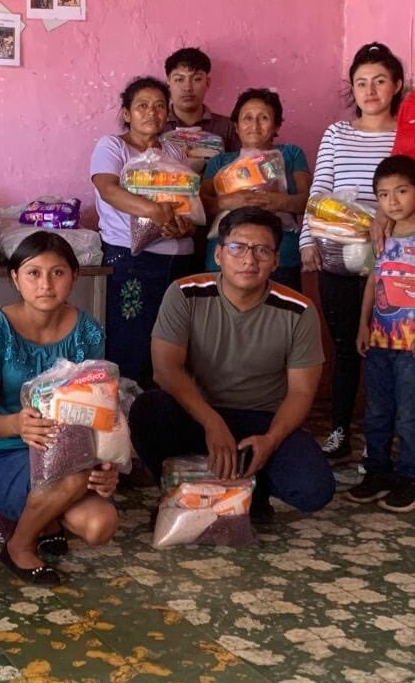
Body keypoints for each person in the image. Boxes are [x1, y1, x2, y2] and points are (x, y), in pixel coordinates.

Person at [130, 207, 336, 523]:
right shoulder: (185, 293)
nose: (249, 260)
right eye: (238, 247)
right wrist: (212, 422)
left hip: (262, 420)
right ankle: (180, 487)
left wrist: (271, 440)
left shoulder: (299, 310)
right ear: (219, 254)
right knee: (148, 409)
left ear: (276, 261)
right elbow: (165, 369)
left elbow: (301, 391)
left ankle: (252, 490)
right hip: (198, 413)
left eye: (262, 250)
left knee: (314, 490)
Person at [0, 231, 120, 584]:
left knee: (100, 526)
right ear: (15, 278)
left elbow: (100, 410)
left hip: (73, 455)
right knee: (72, 476)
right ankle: (19, 546)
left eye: (58, 273)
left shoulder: (88, 332)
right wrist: (18, 426)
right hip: (3, 452)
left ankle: (46, 515)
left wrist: (108, 465)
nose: (46, 284)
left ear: (74, 277)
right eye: (33, 273)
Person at [301, 42, 406, 462]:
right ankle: (341, 432)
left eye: (380, 81)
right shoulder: (337, 134)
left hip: (395, 257)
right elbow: (319, 191)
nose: (371, 90)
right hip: (339, 257)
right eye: (361, 83)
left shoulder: (408, 133)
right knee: (346, 346)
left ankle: (393, 440)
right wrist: (309, 241)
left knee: (395, 347)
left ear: (396, 85)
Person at [91, 76, 195, 387]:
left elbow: (186, 201)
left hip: (178, 261)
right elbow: (107, 189)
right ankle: (126, 422)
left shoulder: (175, 152)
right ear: (126, 113)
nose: (152, 112)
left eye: (160, 106)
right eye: (142, 106)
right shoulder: (112, 146)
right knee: (130, 342)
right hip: (131, 258)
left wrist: (182, 225)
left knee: (172, 345)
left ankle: (163, 417)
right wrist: (154, 211)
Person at [350, 156, 415, 510]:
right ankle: (377, 472)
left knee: (409, 413)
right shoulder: (382, 234)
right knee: (376, 411)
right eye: (384, 194)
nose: (393, 201)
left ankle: (409, 476)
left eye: (402, 191)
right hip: (380, 339)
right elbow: (375, 281)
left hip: (411, 346)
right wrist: (363, 324)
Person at [200, 88, 311, 289]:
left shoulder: (291, 154)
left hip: (281, 255)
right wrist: (231, 202)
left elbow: (309, 202)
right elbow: (200, 206)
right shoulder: (220, 162)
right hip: (226, 256)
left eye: (264, 118)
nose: (254, 125)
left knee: (280, 316)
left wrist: (277, 202)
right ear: (236, 126)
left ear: (276, 124)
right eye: (247, 118)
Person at [163, 47, 239, 152]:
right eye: (179, 79)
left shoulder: (227, 128)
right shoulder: (157, 125)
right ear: (168, 84)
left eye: (196, 79)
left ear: (207, 83)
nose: (187, 88)